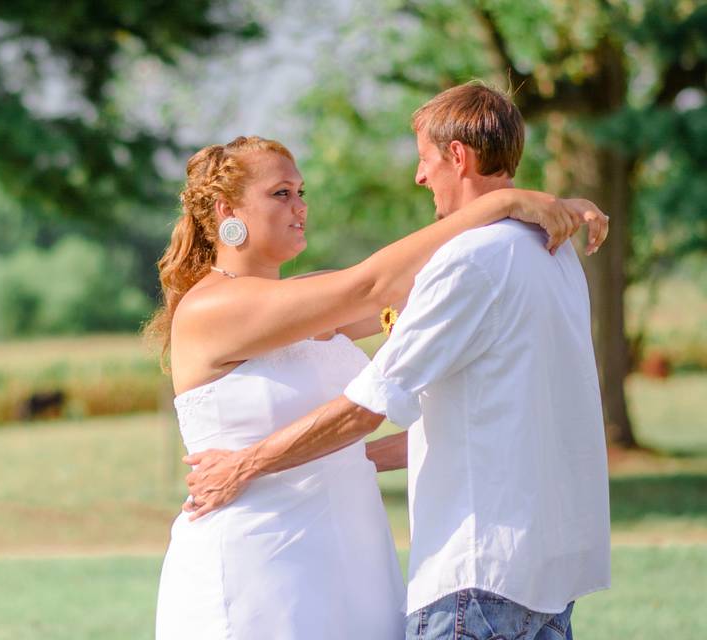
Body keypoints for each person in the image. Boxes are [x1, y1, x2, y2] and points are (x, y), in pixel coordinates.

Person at [183, 84, 611, 640]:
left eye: (300, 191)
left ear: (455, 157)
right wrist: (504, 203)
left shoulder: (319, 299)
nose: (301, 206)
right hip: (258, 558)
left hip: (353, 558)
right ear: (226, 212)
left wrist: (546, 212)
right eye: (282, 193)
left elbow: (399, 301)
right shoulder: (214, 307)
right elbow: (376, 285)